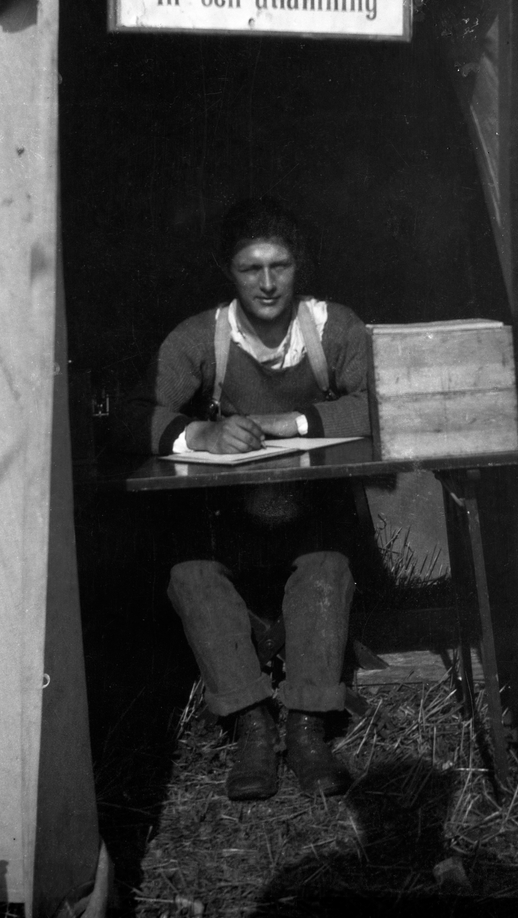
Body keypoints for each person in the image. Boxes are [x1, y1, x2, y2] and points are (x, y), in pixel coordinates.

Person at [114, 197, 371, 800]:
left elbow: (381, 403)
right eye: (250, 269)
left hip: (311, 517)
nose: (267, 283)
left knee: (327, 568)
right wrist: (196, 434)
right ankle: (252, 725)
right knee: (191, 575)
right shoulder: (202, 337)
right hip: (227, 523)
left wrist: (294, 421)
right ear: (227, 272)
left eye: (279, 266)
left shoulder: (334, 329)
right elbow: (129, 415)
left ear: (298, 265)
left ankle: (307, 727)